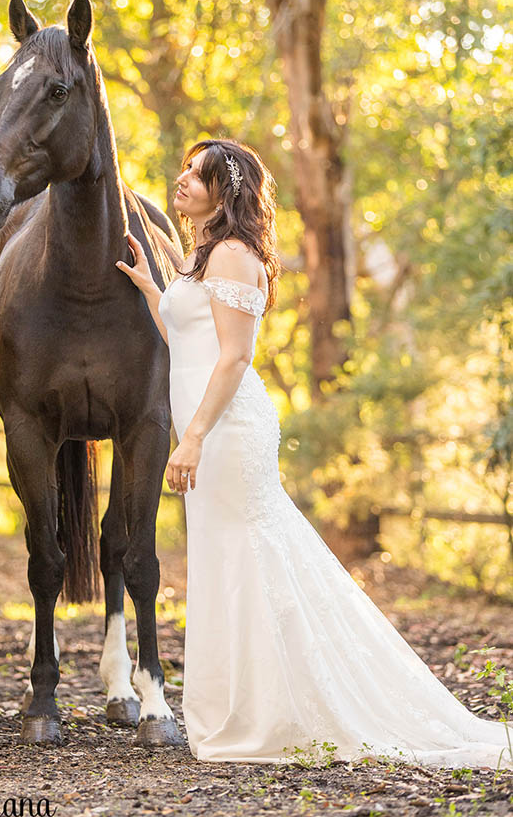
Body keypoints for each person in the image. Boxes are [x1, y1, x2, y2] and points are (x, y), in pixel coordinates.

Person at [115, 137, 512, 768]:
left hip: (228, 430)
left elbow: (235, 356)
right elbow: (186, 335)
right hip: (205, 427)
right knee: (222, 561)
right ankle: (242, 704)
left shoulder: (238, 256)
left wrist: (191, 437)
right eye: (185, 170)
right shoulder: (203, 255)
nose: (182, 180)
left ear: (227, 193)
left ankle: (282, 707)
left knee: (250, 559)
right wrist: (147, 285)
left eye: (199, 174)